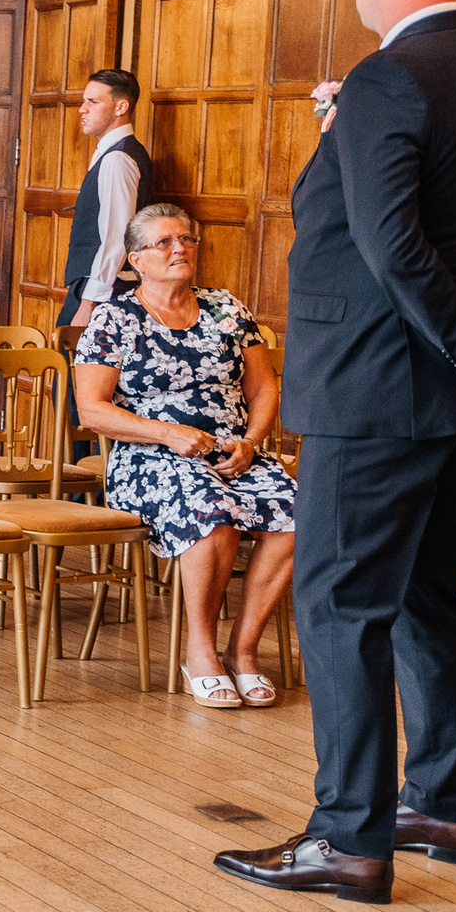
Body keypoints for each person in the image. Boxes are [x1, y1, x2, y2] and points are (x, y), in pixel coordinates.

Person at [217, 0, 456, 904]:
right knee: (420, 595)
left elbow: (392, 249)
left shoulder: (385, 79)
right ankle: (444, 804)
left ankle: (346, 837)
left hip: (376, 390)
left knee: (336, 603)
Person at [73, 204, 297, 709]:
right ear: (135, 260)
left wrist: (251, 441)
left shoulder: (226, 309)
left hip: (233, 453)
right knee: (210, 511)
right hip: (148, 458)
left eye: (187, 240)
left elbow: (263, 389)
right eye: (165, 243)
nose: (180, 249)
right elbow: (92, 410)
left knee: (297, 514)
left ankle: (243, 650)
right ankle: (200, 651)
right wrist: (167, 434)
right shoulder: (115, 318)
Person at [60, 68, 153, 326]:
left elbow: (116, 238)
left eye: (93, 101)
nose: (82, 109)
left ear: (120, 107)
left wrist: (89, 304)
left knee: (74, 362)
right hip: (95, 288)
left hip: (104, 294)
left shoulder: (117, 159)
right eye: (83, 101)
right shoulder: (111, 153)